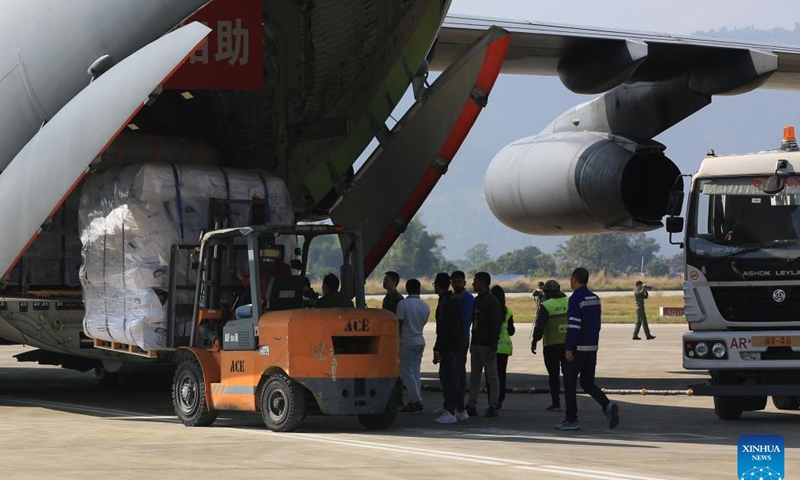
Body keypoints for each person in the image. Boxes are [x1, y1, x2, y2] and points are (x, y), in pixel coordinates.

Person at [556, 268, 619, 431]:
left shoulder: (576, 298)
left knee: (569, 383)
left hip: (578, 348)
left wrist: (569, 347)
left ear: (574, 279)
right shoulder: (595, 298)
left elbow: (574, 325)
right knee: (587, 382)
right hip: (592, 347)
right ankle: (607, 405)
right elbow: (596, 324)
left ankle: (571, 419)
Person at [466, 271, 502, 418]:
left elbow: (496, 326)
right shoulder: (477, 300)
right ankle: (472, 404)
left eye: (475, 281)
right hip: (476, 344)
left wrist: (493, 347)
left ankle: (493, 405)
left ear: (482, 282)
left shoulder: (492, 301)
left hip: (487, 345)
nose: (473, 283)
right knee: (474, 376)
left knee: (492, 377)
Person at [431, 272, 465, 424]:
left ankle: (450, 411)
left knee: (448, 379)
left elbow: (443, 329)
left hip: (449, 346)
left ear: (437, 285)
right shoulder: (454, 300)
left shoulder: (445, 302)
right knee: (455, 379)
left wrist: (438, 349)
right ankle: (460, 409)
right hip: (457, 344)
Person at [531, 279, 569, 412]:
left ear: (547, 292)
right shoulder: (569, 302)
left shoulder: (546, 305)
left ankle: (556, 403)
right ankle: (570, 402)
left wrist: (535, 341)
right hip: (568, 345)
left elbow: (539, 327)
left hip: (551, 345)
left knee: (554, 376)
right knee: (569, 375)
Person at [396, 279, 430, 414]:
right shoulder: (425, 306)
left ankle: (416, 401)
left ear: (407, 289)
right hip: (419, 340)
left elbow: (399, 323)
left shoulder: (403, 304)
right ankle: (414, 400)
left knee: (406, 373)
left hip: (407, 341)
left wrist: (397, 340)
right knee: (415, 372)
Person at [450, 270, 474, 415]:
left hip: (462, 339)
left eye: (459, 282)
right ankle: (451, 403)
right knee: (450, 373)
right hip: (452, 339)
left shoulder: (468, 299)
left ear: (464, 283)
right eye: (454, 282)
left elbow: (464, 318)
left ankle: (459, 405)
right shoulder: (451, 297)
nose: (457, 284)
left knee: (459, 372)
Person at [486, 285, 514, 409]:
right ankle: (500, 399)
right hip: (504, 349)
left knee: (490, 377)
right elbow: (511, 331)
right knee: (501, 376)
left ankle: (491, 399)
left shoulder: (488, 309)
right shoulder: (508, 311)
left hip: (490, 347)